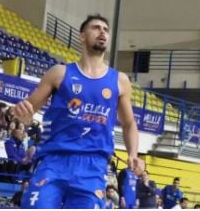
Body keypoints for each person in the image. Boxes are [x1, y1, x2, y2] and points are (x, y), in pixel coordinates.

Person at [13, 14, 143, 208]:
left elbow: (129, 123)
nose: (102, 33)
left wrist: (133, 153)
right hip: (54, 160)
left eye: (106, 30)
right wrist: (22, 117)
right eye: (96, 28)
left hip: (93, 166)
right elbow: (29, 109)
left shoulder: (120, 80)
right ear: (82, 36)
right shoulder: (59, 73)